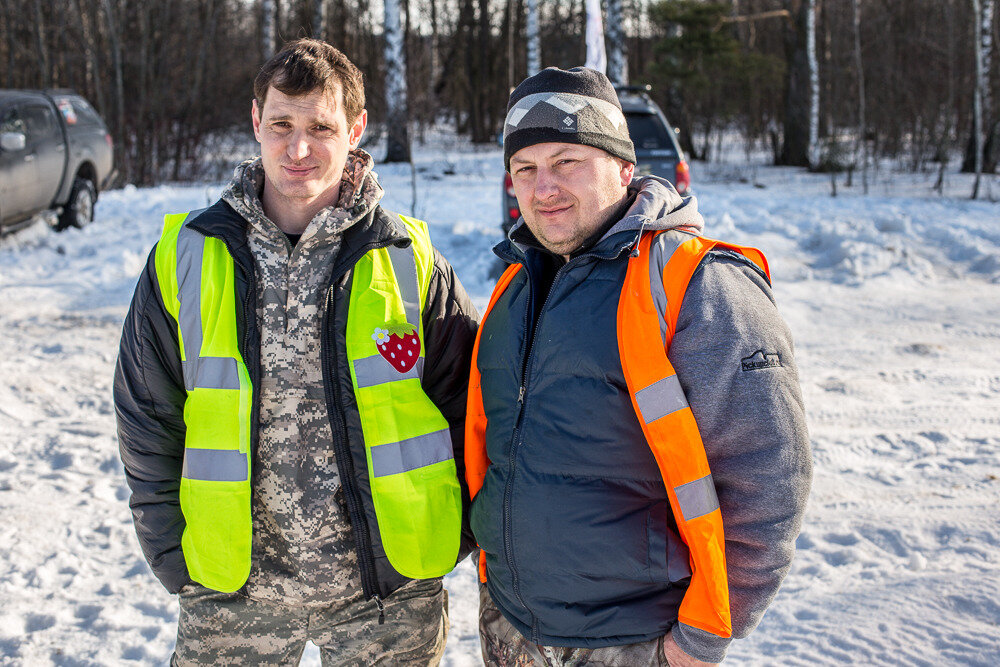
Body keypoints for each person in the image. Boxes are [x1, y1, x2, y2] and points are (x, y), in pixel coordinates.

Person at [114, 38, 478, 665]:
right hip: (231, 594)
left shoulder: (409, 259)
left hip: (388, 595)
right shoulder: (188, 256)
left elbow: (471, 408)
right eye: (281, 123)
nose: (298, 148)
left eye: (321, 127)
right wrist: (175, 555)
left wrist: (450, 537)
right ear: (256, 120)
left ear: (356, 128)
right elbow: (147, 414)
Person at [465, 66, 812, 666]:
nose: (543, 187)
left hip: (637, 639)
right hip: (512, 625)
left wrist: (701, 639)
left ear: (623, 169)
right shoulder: (516, 286)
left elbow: (770, 475)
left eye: (567, 161)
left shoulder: (694, 284)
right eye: (526, 169)